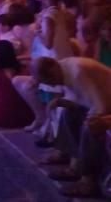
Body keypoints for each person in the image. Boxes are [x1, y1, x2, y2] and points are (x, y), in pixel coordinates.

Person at [33, 56, 111, 198]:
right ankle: (74, 164)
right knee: (68, 112)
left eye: (50, 81)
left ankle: (88, 182)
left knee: (90, 127)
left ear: (52, 72)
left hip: (106, 106)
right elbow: (79, 99)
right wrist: (62, 101)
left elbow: (102, 106)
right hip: (100, 105)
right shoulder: (65, 68)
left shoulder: (78, 72)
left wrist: (93, 120)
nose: (53, 85)